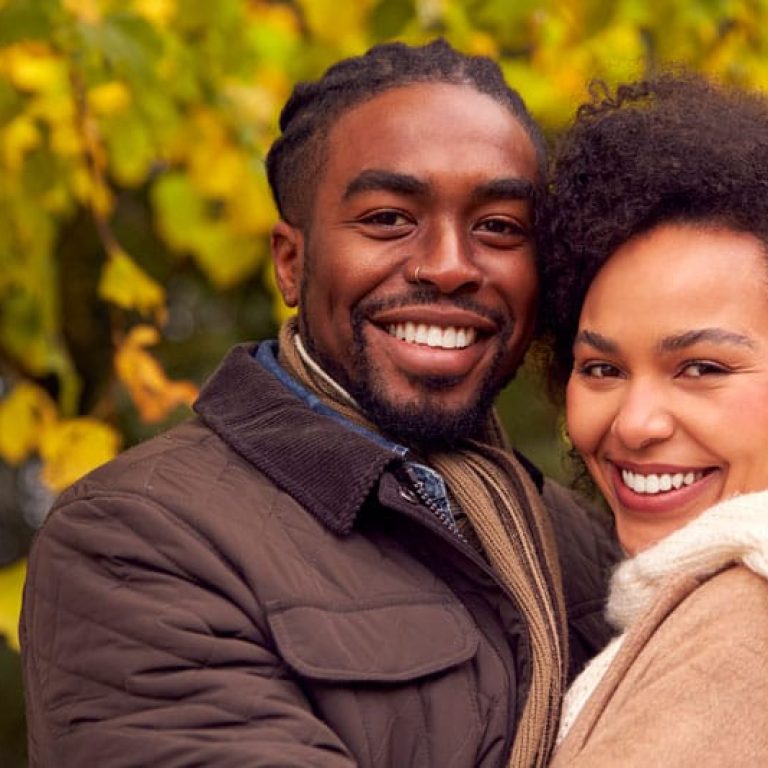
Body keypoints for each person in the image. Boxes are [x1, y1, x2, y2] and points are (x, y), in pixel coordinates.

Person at [21, 39, 616, 768]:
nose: (450, 266)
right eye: (389, 219)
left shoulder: (580, 540)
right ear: (290, 262)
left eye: (498, 227)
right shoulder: (136, 541)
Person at [540, 72, 768, 767]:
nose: (635, 425)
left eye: (700, 368)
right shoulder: (671, 601)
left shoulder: (741, 630)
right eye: (602, 369)